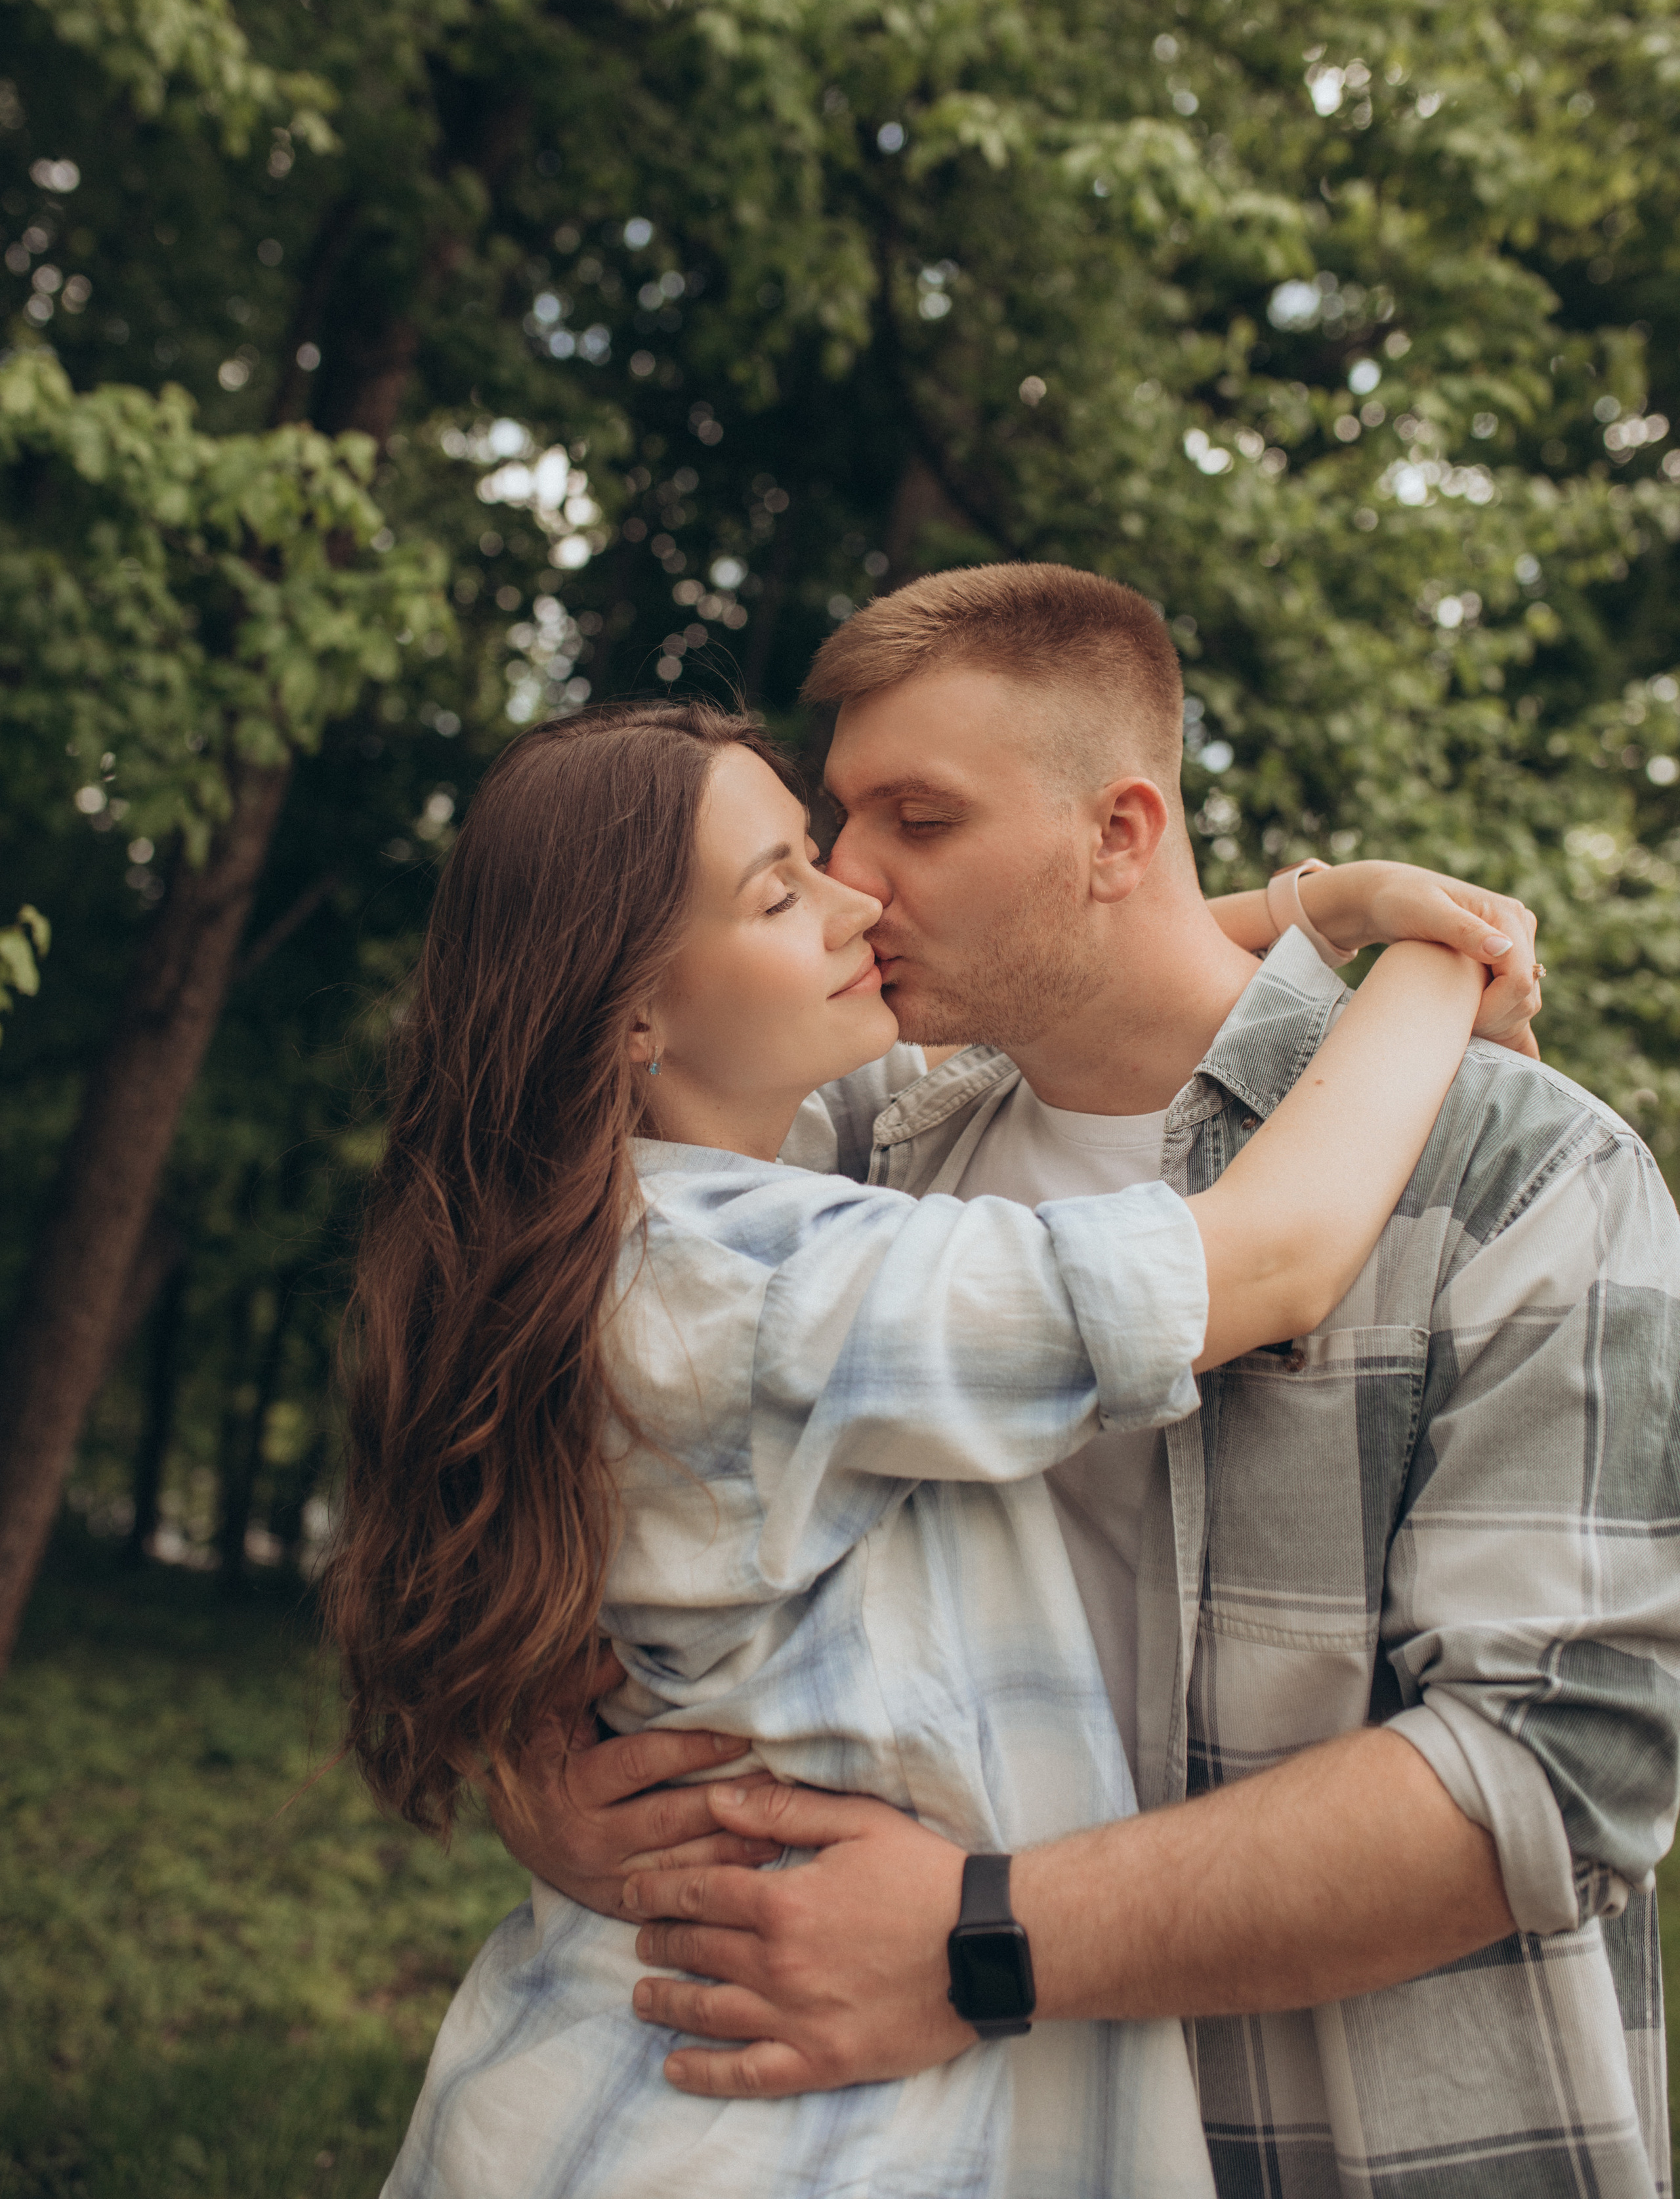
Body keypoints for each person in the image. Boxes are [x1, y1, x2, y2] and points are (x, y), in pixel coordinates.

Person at [520, 568, 1680, 2199]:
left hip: (1363, 2144)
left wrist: (974, 1937)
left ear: (1120, 835)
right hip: (898, 2140)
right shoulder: (840, 1156)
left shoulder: (1514, 1179)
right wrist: (541, 1777)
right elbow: (493, 1433)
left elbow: (1556, 1774)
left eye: (916, 820)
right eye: (834, 823)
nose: (851, 880)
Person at [324, 695, 1511, 2199]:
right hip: (768, 2137)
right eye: (781, 890)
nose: (856, 899)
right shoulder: (780, 1286)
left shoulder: (621, 1238)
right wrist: (1433, 958)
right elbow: (1271, 1257)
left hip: (642, 2084)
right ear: (633, 1015)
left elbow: (1083, 968)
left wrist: (1314, 908)